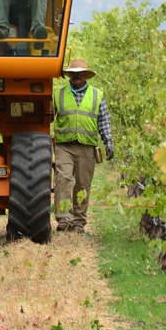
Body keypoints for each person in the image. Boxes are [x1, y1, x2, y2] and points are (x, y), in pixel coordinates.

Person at [53, 59, 114, 232]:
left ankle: (79, 222)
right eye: (73, 73)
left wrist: (108, 141)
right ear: (69, 75)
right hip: (64, 146)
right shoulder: (58, 94)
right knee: (63, 179)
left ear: (86, 75)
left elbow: (104, 121)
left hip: (87, 147)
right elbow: (48, 117)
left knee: (82, 184)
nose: (76, 75)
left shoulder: (97, 95)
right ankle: (64, 219)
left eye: (80, 73)